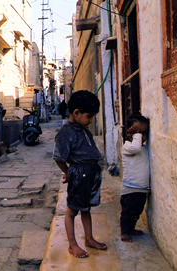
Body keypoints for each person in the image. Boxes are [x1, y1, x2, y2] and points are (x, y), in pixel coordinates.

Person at [53, 90, 107, 258]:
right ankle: (72, 244)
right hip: (80, 174)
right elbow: (59, 158)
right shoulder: (66, 132)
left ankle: (89, 238)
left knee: (86, 208)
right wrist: (69, 173)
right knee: (72, 211)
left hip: (90, 174)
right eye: (89, 116)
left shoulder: (82, 128)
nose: (90, 121)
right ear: (76, 113)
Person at [120, 114, 150, 242]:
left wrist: (136, 134)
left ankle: (131, 228)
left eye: (144, 133)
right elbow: (136, 147)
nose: (141, 136)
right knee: (128, 212)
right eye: (137, 132)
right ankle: (125, 232)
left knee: (137, 211)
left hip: (142, 188)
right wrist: (135, 136)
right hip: (130, 188)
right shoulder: (127, 147)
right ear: (129, 132)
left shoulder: (143, 148)